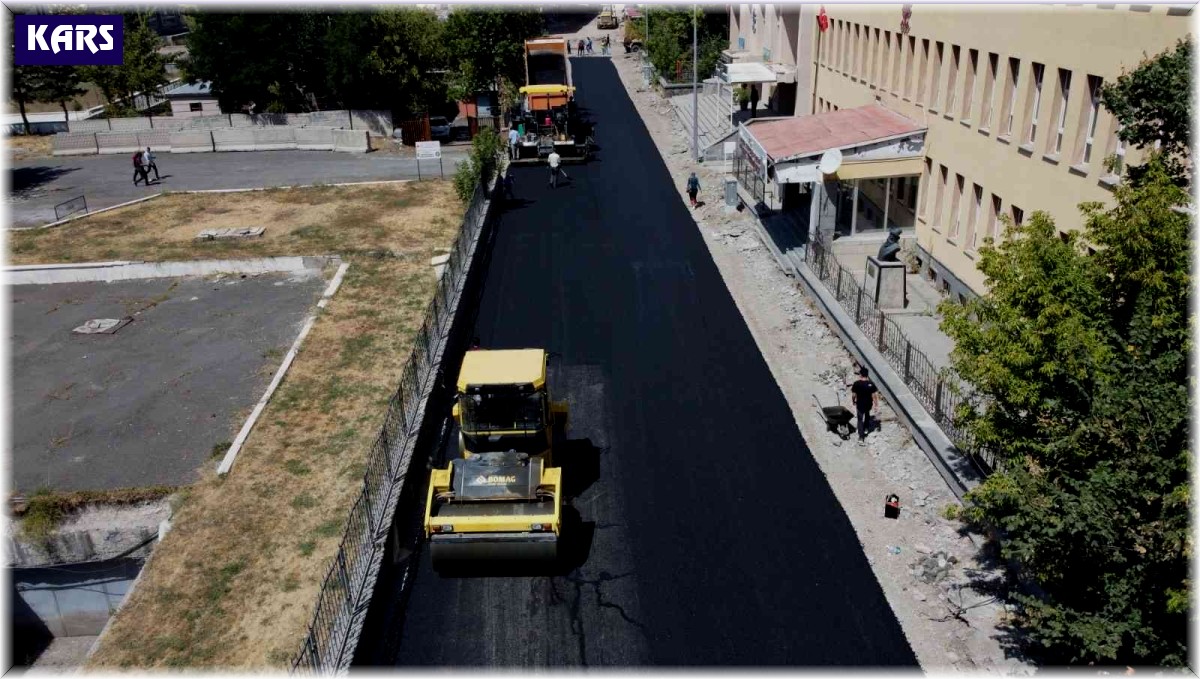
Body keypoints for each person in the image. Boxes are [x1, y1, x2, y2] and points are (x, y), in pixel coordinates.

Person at [850, 367, 880, 445]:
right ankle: (866, 428)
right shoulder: (871, 384)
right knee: (867, 414)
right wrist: (876, 405)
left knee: (860, 420)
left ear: (860, 375)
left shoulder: (856, 384)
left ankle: (861, 437)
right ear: (867, 375)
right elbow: (874, 396)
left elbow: (853, 395)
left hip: (859, 405)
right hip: (868, 404)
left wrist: (853, 401)